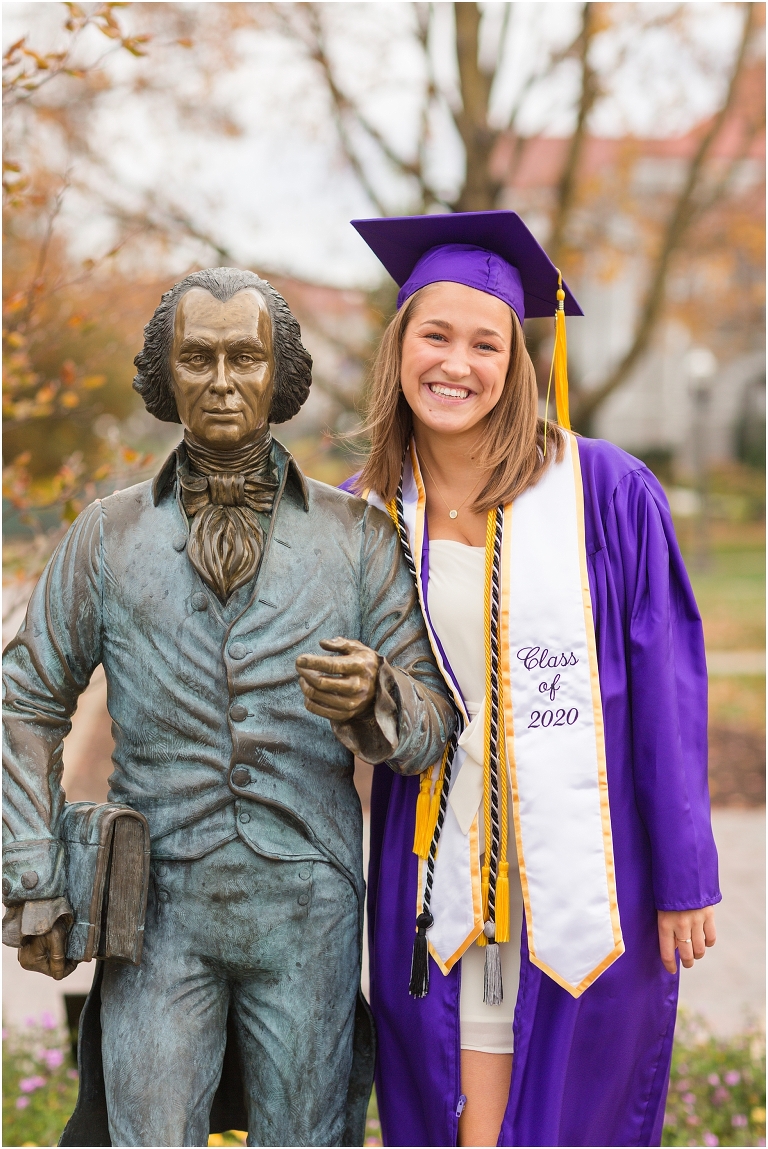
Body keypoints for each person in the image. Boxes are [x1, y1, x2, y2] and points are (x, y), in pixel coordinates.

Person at [2, 267, 455, 1147]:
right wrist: (34, 873)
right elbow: (24, 698)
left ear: (279, 375)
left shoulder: (357, 536)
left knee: (308, 1136)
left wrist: (377, 698)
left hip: (309, 911)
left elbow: (433, 718)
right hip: (157, 908)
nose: (220, 379)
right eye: (197, 357)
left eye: (244, 357)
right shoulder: (108, 534)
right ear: (164, 375)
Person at [344, 211, 720, 1148]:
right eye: (436, 335)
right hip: (431, 856)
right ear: (400, 347)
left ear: (517, 360)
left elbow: (666, 686)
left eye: (485, 343)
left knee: (570, 1108)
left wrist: (684, 873)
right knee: (455, 1110)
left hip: (589, 855)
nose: (456, 363)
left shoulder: (606, 492)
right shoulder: (359, 515)